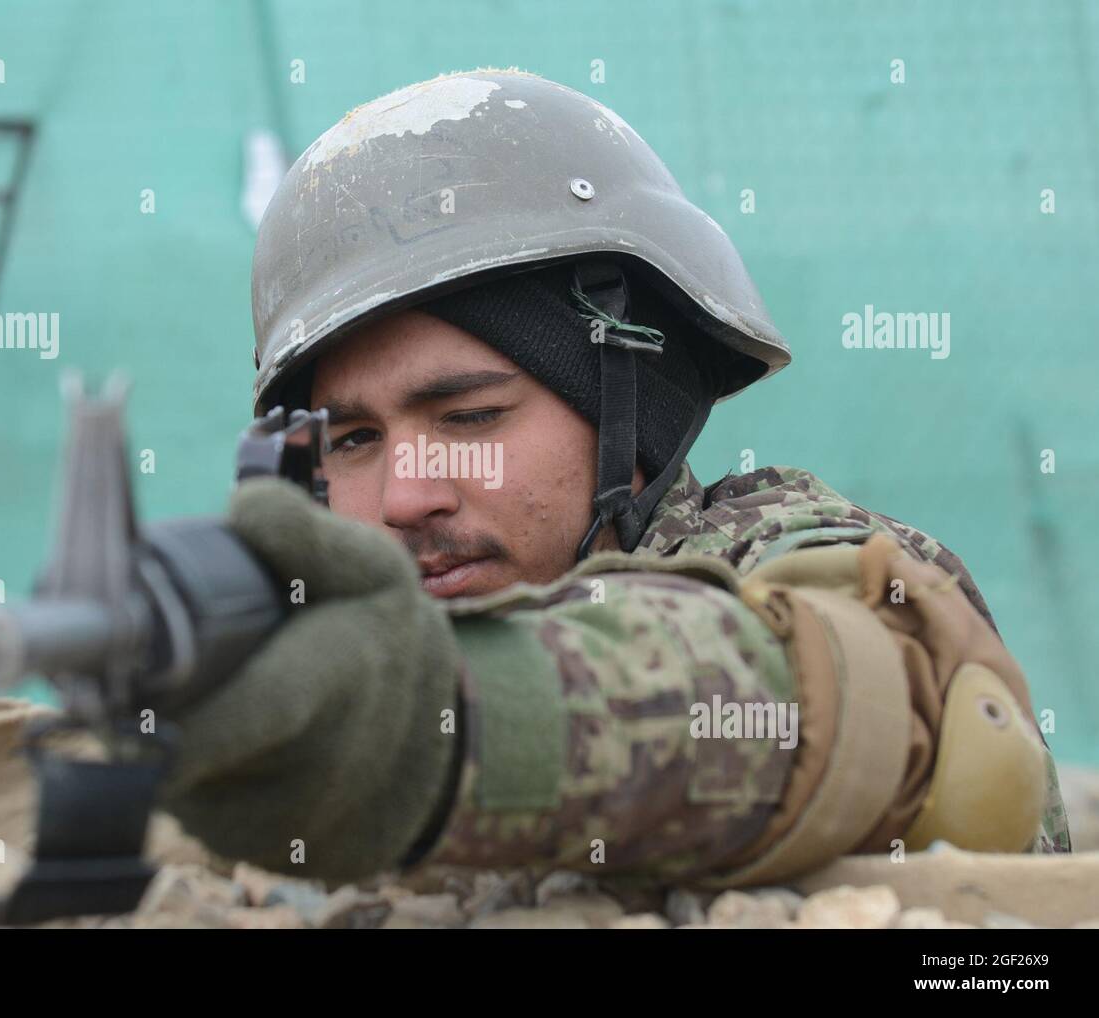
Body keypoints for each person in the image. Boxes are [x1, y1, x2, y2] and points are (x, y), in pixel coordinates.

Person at [158, 68, 1069, 887]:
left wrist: (452, 729)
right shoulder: (330, 675)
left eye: (471, 418)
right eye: (354, 440)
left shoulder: (799, 564)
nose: (406, 496)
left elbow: (863, 684)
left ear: (633, 406)